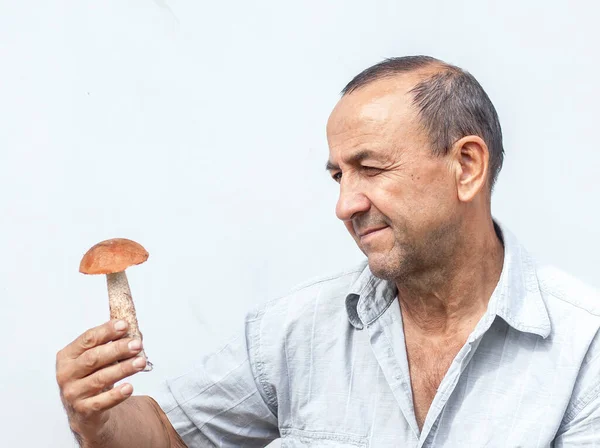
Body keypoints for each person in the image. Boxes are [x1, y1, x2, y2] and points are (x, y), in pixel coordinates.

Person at [56, 56, 600, 447]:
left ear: (466, 167)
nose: (344, 205)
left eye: (371, 168)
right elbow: (167, 434)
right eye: (338, 175)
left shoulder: (584, 349)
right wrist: (95, 420)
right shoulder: (291, 330)